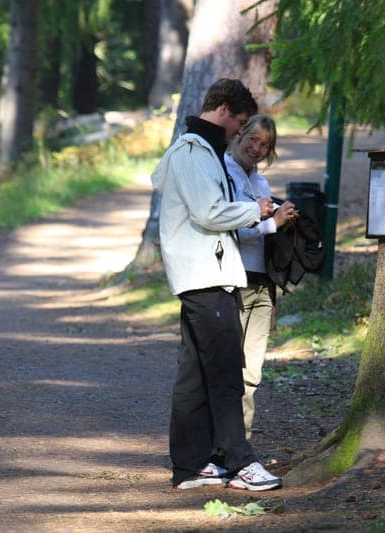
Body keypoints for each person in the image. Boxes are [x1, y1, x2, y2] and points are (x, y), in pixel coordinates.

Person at [151, 78, 283, 492]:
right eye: (240, 122)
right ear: (223, 109)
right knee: (226, 373)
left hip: (203, 274)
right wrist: (254, 210)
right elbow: (209, 213)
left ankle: (191, 466)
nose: (240, 131)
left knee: (194, 376)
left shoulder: (201, 150)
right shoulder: (193, 151)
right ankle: (240, 462)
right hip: (205, 276)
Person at [225, 114, 298, 440]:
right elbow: (233, 230)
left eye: (265, 145)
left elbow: (266, 240)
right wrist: (272, 223)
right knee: (228, 365)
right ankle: (220, 441)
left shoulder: (262, 183)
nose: (256, 148)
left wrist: (283, 222)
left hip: (262, 283)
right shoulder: (223, 174)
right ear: (239, 136)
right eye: (252, 139)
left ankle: (242, 440)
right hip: (233, 280)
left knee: (252, 370)